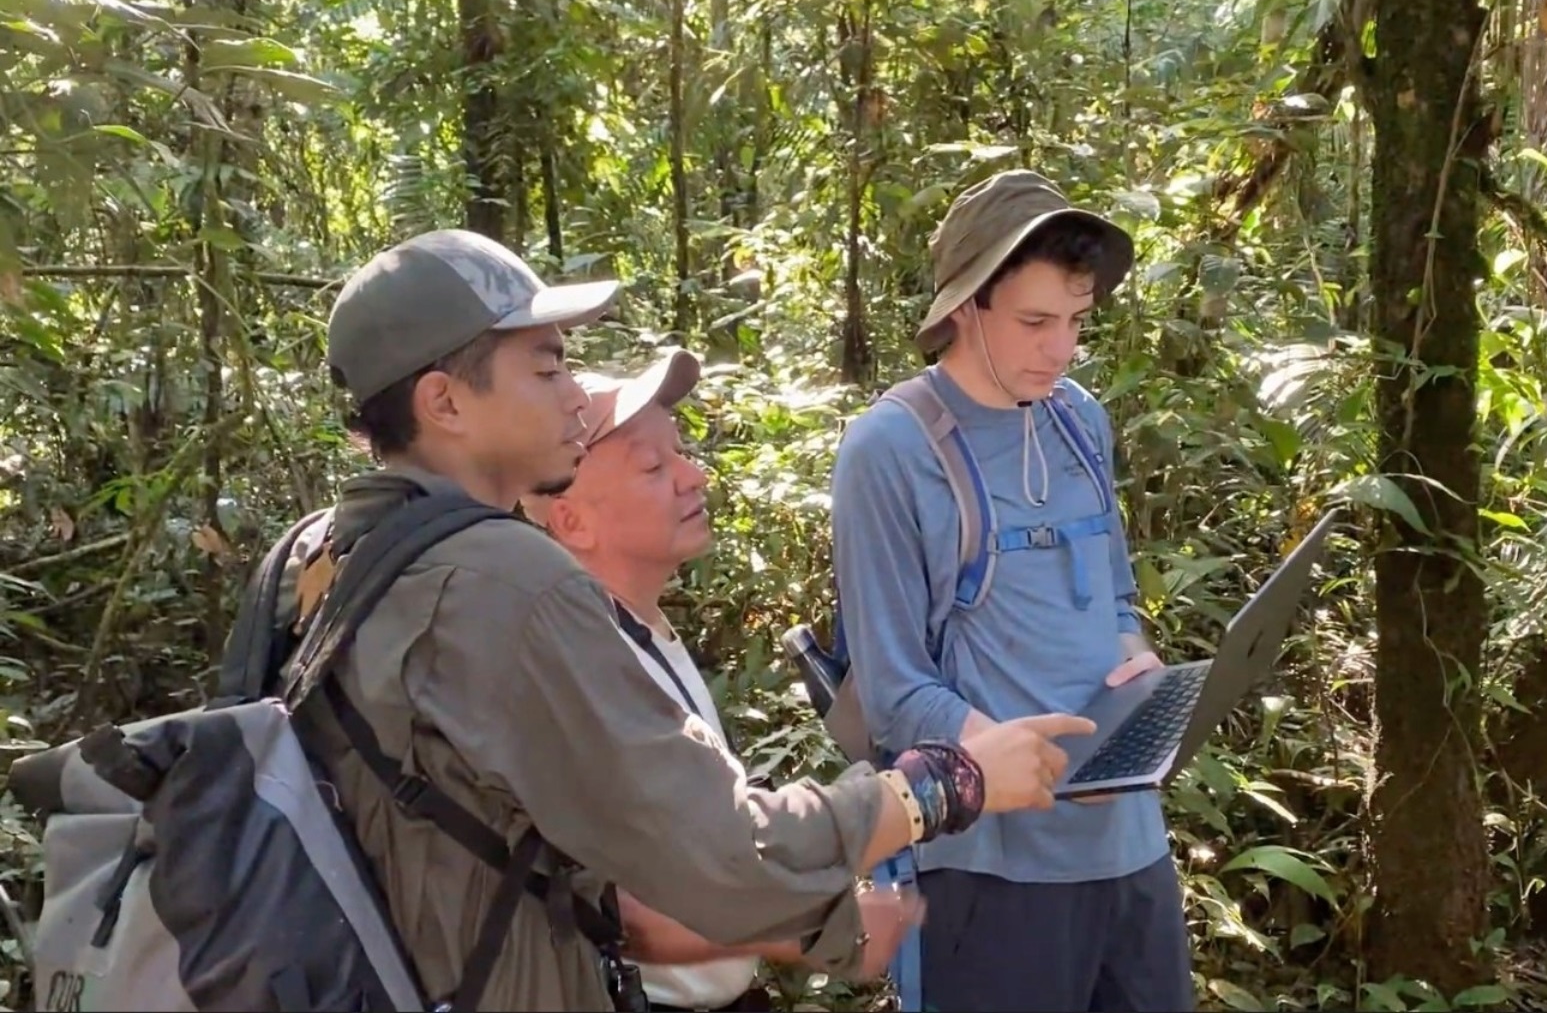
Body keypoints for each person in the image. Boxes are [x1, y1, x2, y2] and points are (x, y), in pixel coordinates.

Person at [291, 227, 1098, 1011]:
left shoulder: (322, 554)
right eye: (547, 370)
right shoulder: (503, 580)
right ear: (444, 402)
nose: (574, 396)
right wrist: (941, 785)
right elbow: (721, 852)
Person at [829, 170, 1196, 1011]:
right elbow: (893, 692)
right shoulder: (891, 450)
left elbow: (1115, 601)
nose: (1059, 349)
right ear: (965, 307)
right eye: (1035, 322)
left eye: (1075, 322)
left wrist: (1136, 660)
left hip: (1130, 846)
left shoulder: (1079, 420)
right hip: (992, 872)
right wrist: (1006, 762)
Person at [521, 353, 912, 1011]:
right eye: (652, 466)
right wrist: (818, 931)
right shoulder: (588, 670)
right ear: (571, 522)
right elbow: (634, 916)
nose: (693, 475)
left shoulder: (642, 633)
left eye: (681, 451)